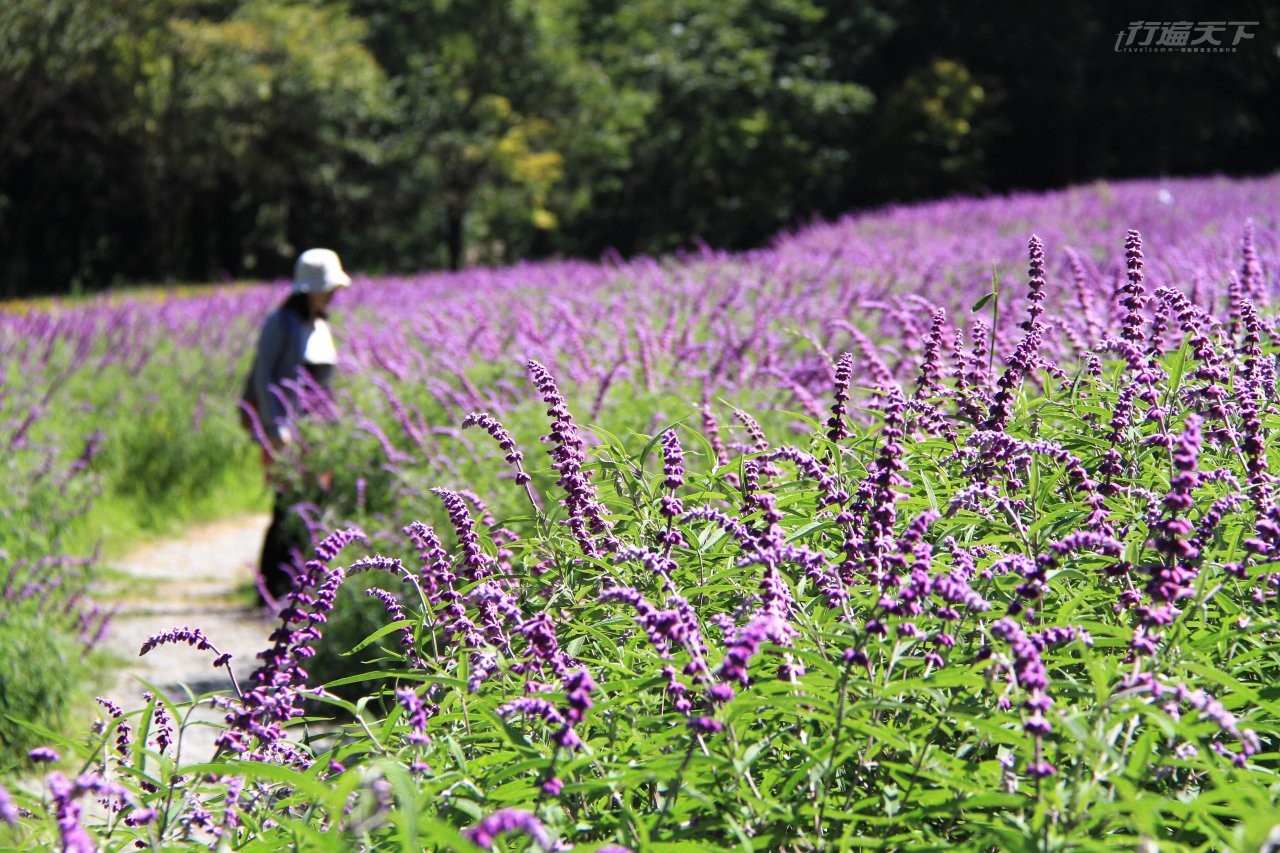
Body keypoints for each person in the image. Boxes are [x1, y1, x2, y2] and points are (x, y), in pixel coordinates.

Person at [246, 248, 351, 605]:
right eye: (329, 288)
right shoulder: (280, 323)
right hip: (288, 433)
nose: (333, 294)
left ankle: (296, 584)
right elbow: (264, 377)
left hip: (317, 436)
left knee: (312, 505)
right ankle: (270, 588)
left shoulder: (320, 324)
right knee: (286, 506)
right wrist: (276, 429)